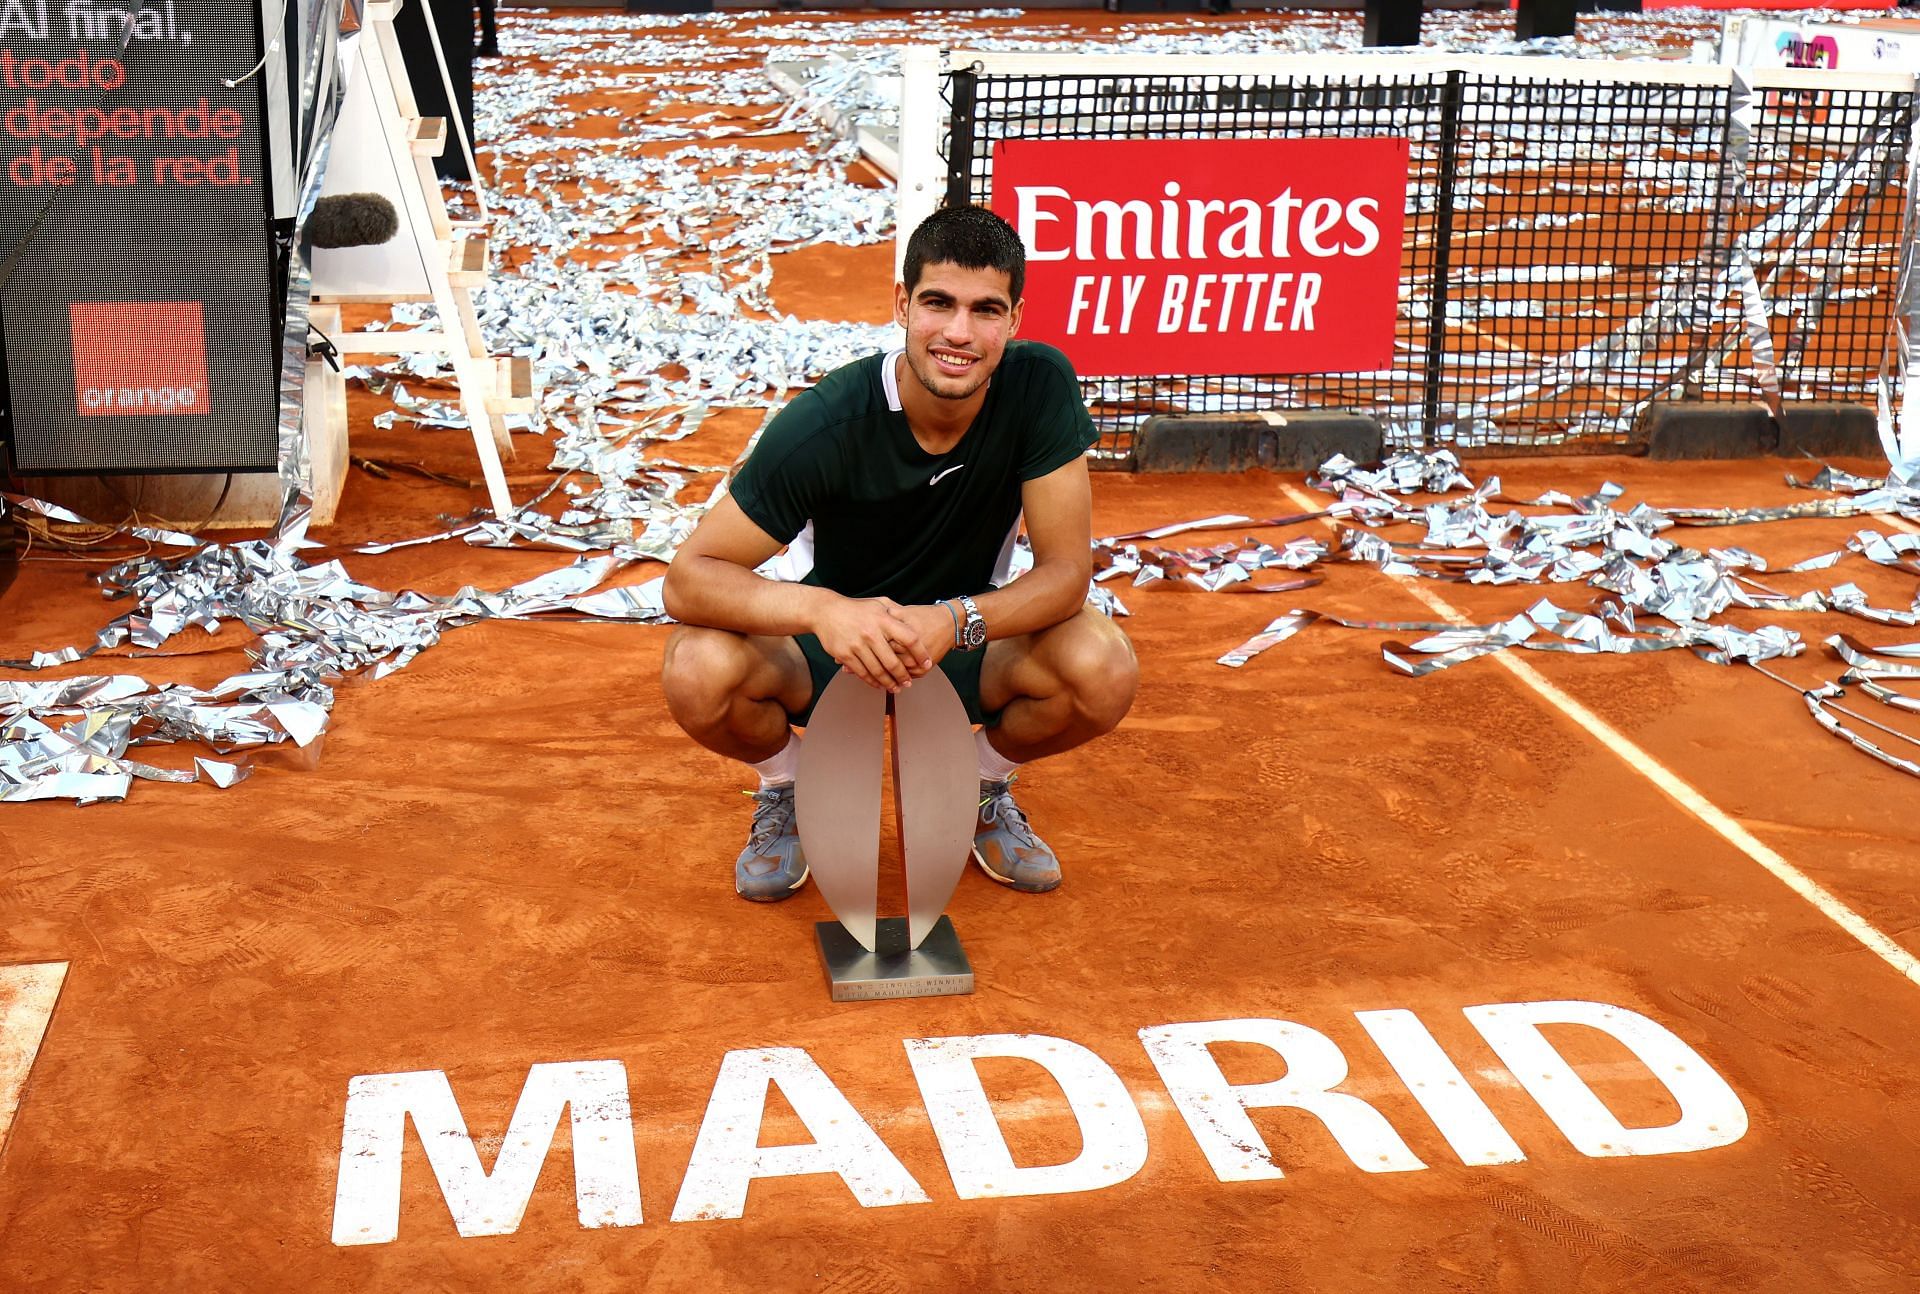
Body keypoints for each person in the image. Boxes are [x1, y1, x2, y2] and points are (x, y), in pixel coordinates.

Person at [661, 205, 1138, 903]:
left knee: (1102, 666)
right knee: (697, 667)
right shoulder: (830, 420)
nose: (959, 333)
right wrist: (824, 611)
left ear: (1016, 319)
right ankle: (789, 787)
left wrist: (955, 620)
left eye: (986, 310)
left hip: (965, 644)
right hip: (831, 654)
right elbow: (687, 580)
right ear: (901, 304)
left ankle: (979, 784)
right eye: (938, 304)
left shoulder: (1038, 387)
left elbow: (1067, 575)